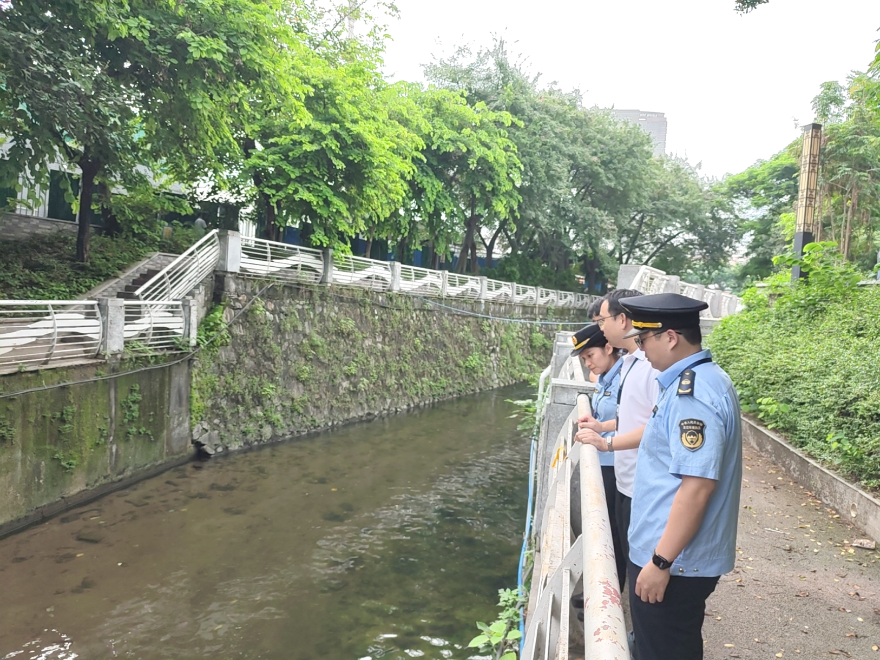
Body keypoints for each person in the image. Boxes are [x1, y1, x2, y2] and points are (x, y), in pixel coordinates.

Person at [618, 292, 742, 660]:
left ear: (670, 337)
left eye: (644, 339)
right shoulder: (698, 380)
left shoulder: (694, 395)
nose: (641, 349)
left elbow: (697, 487)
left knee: (662, 650)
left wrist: (661, 562)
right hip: (671, 556)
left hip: (674, 562)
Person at [575, 289, 659, 591]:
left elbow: (655, 426)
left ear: (622, 319)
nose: (600, 328)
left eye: (602, 321)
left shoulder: (650, 366)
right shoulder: (632, 363)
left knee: (634, 554)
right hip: (626, 478)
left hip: (641, 481)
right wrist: (601, 426)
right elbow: (631, 416)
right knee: (620, 543)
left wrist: (606, 443)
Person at [569, 322, 626, 589]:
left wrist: (601, 427)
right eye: (583, 360)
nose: (588, 364)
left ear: (609, 347)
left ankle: (609, 589)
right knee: (602, 526)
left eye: (590, 356)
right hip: (604, 462)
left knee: (612, 531)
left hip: (616, 463)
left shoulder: (625, 377)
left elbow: (634, 418)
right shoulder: (606, 377)